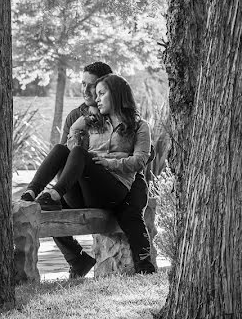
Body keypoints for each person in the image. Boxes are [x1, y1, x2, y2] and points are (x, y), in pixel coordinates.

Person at [21, 73, 156, 277]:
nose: (97, 98)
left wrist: (110, 163)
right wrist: (78, 126)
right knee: (61, 149)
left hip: (114, 190)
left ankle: (54, 195)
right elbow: (71, 152)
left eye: (102, 93)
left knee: (79, 154)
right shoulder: (94, 123)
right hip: (87, 192)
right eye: (97, 95)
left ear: (117, 95)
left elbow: (140, 160)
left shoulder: (139, 126)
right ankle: (31, 193)